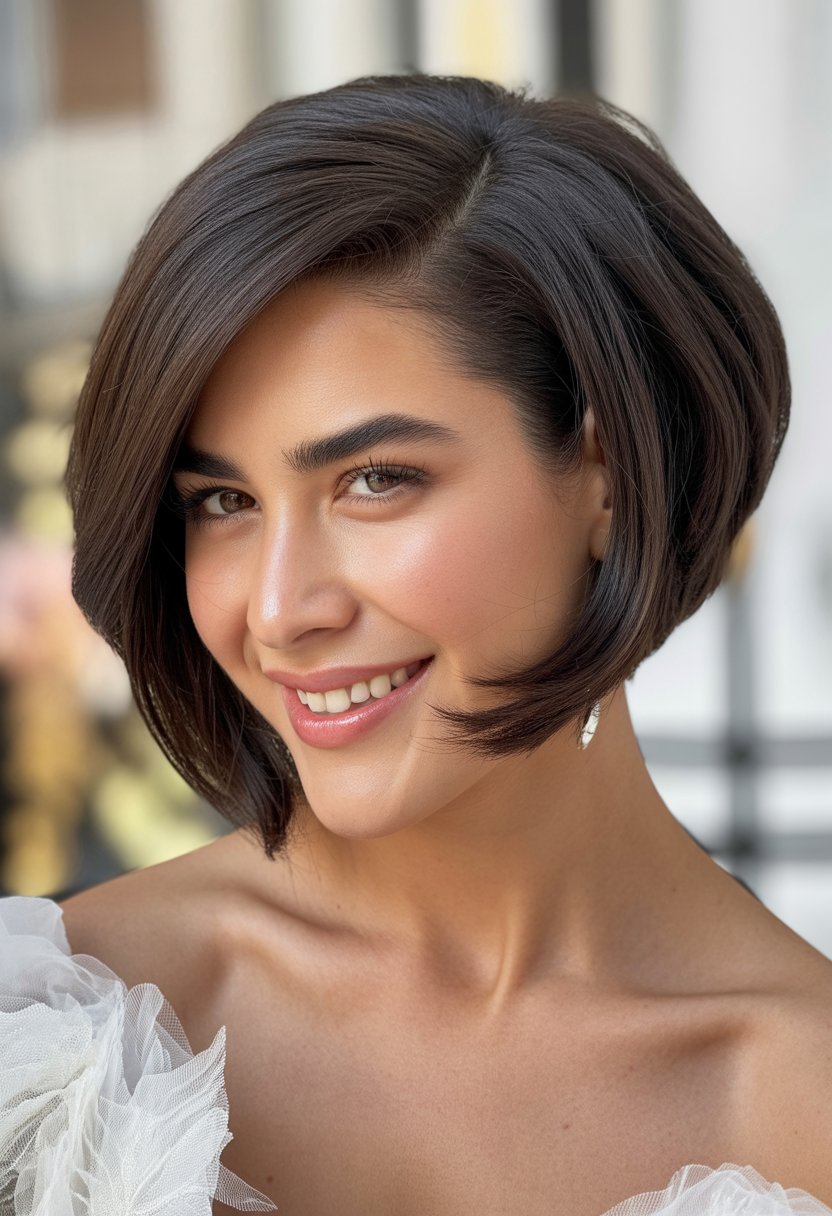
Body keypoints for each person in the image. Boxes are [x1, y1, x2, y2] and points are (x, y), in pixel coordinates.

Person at [1, 73, 830, 1216]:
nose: (281, 608)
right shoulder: (47, 1037)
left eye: (375, 480)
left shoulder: (803, 1104)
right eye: (222, 502)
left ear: (609, 470)